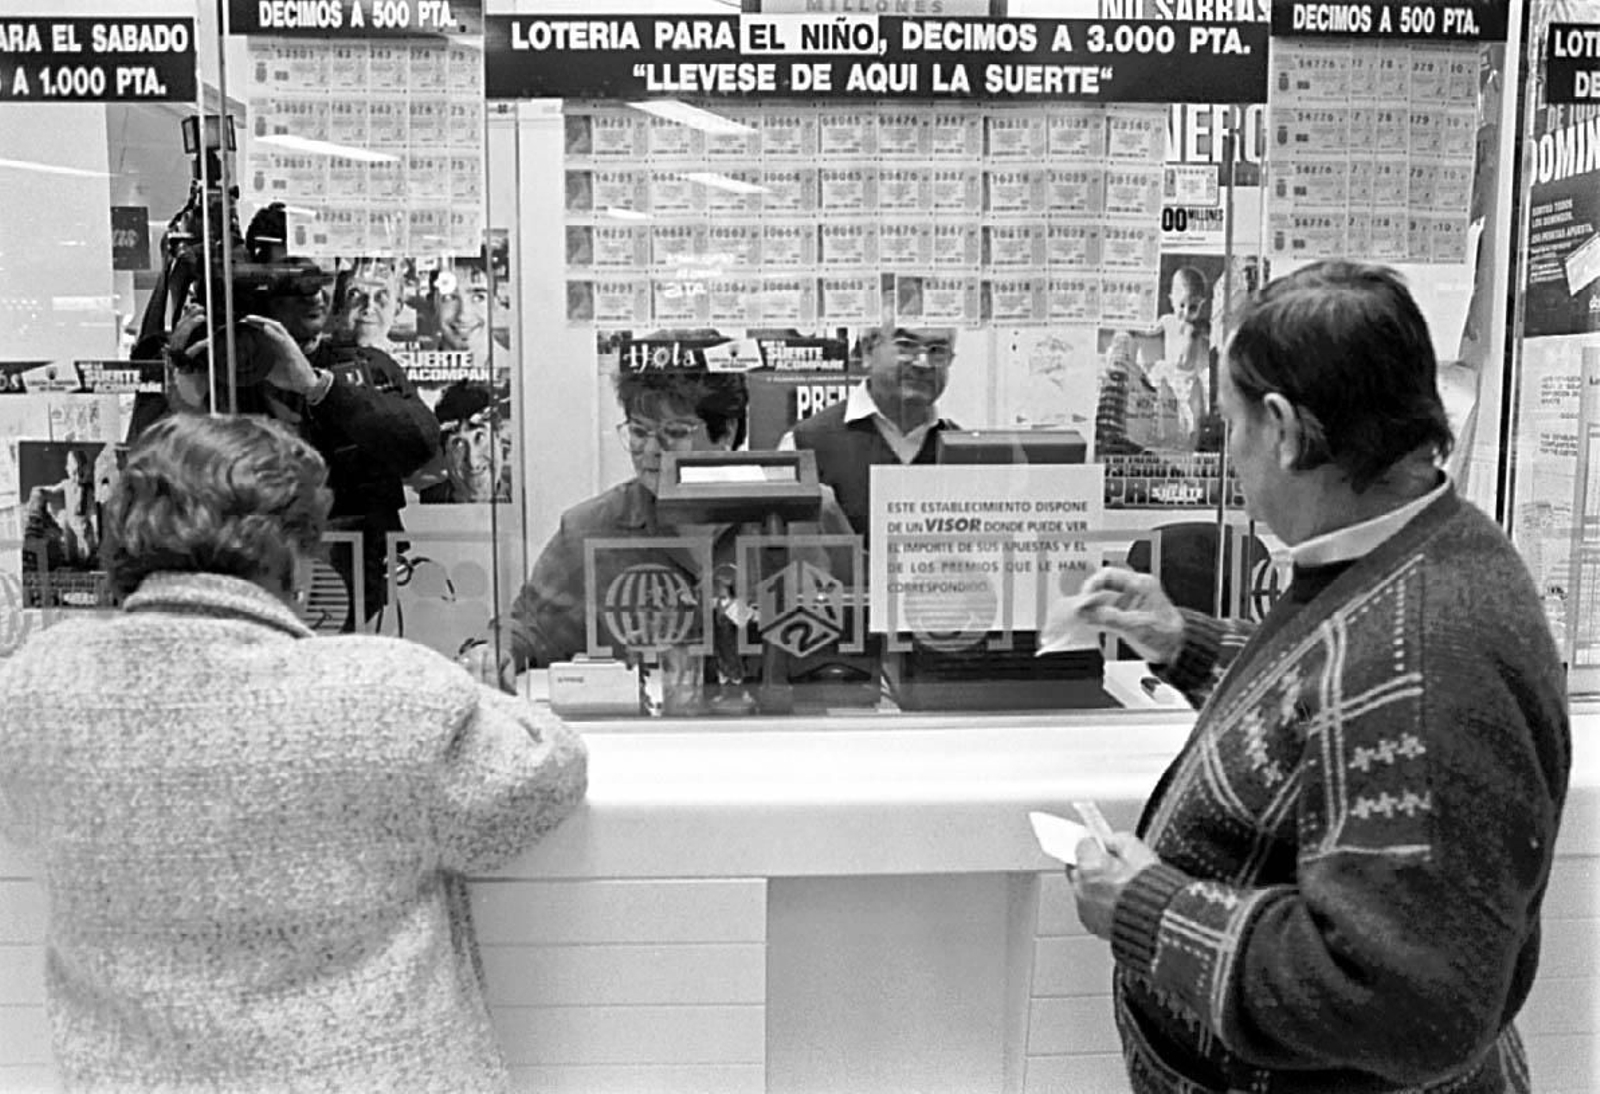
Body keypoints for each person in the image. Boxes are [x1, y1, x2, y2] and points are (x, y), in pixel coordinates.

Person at [1060, 261, 1570, 1094]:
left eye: (1230, 427)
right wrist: (1181, 641)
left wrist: (1148, 909)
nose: (1229, 458)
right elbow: (1326, 718)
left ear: (1287, 431)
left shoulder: (1435, 652)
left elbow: (1407, 1004)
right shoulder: (1410, 552)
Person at [0, 413, 587, 1092]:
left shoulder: (33, 689)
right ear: (300, 558)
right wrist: (493, 691)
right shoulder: (390, 692)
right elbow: (538, 784)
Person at [462, 368, 853, 687]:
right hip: (642, 746)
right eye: (638, 431)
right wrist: (495, 651)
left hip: (787, 742)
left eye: (675, 433)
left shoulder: (805, 513)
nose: (650, 451)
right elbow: (529, 631)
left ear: (727, 433)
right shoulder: (590, 528)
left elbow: (854, 640)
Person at [169, 204, 442, 625]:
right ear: (257, 282)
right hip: (245, 593)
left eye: (323, 274)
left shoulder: (366, 367)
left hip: (356, 596)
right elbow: (166, 490)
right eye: (294, 275)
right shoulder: (220, 370)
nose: (314, 292)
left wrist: (318, 388)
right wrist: (186, 391)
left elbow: (421, 446)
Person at [780, 323, 959, 542]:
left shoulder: (965, 452)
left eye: (937, 350)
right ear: (867, 351)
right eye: (906, 345)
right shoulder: (805, 445)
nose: (923, 363)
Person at [1136, 265, 1212, 447]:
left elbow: (1209, 344)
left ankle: (1189, 433)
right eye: (1182, 305)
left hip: (1188, 375)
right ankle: (1153, 429)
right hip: (1170, 368)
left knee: (1186, 407)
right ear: (1172, 300)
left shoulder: (1197, 327)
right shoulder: (1167, 320)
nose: (1186, 312)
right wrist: (1138, 327)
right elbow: (1150, 330)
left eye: (1193, 307)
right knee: (1157, 391)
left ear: (1201, 304)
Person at [421, 379, 513, 504]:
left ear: (499, 439)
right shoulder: (424, 501)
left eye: (480, 437)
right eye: (458, 444)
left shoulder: (525, 499)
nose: (472, 462)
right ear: (445, 456)